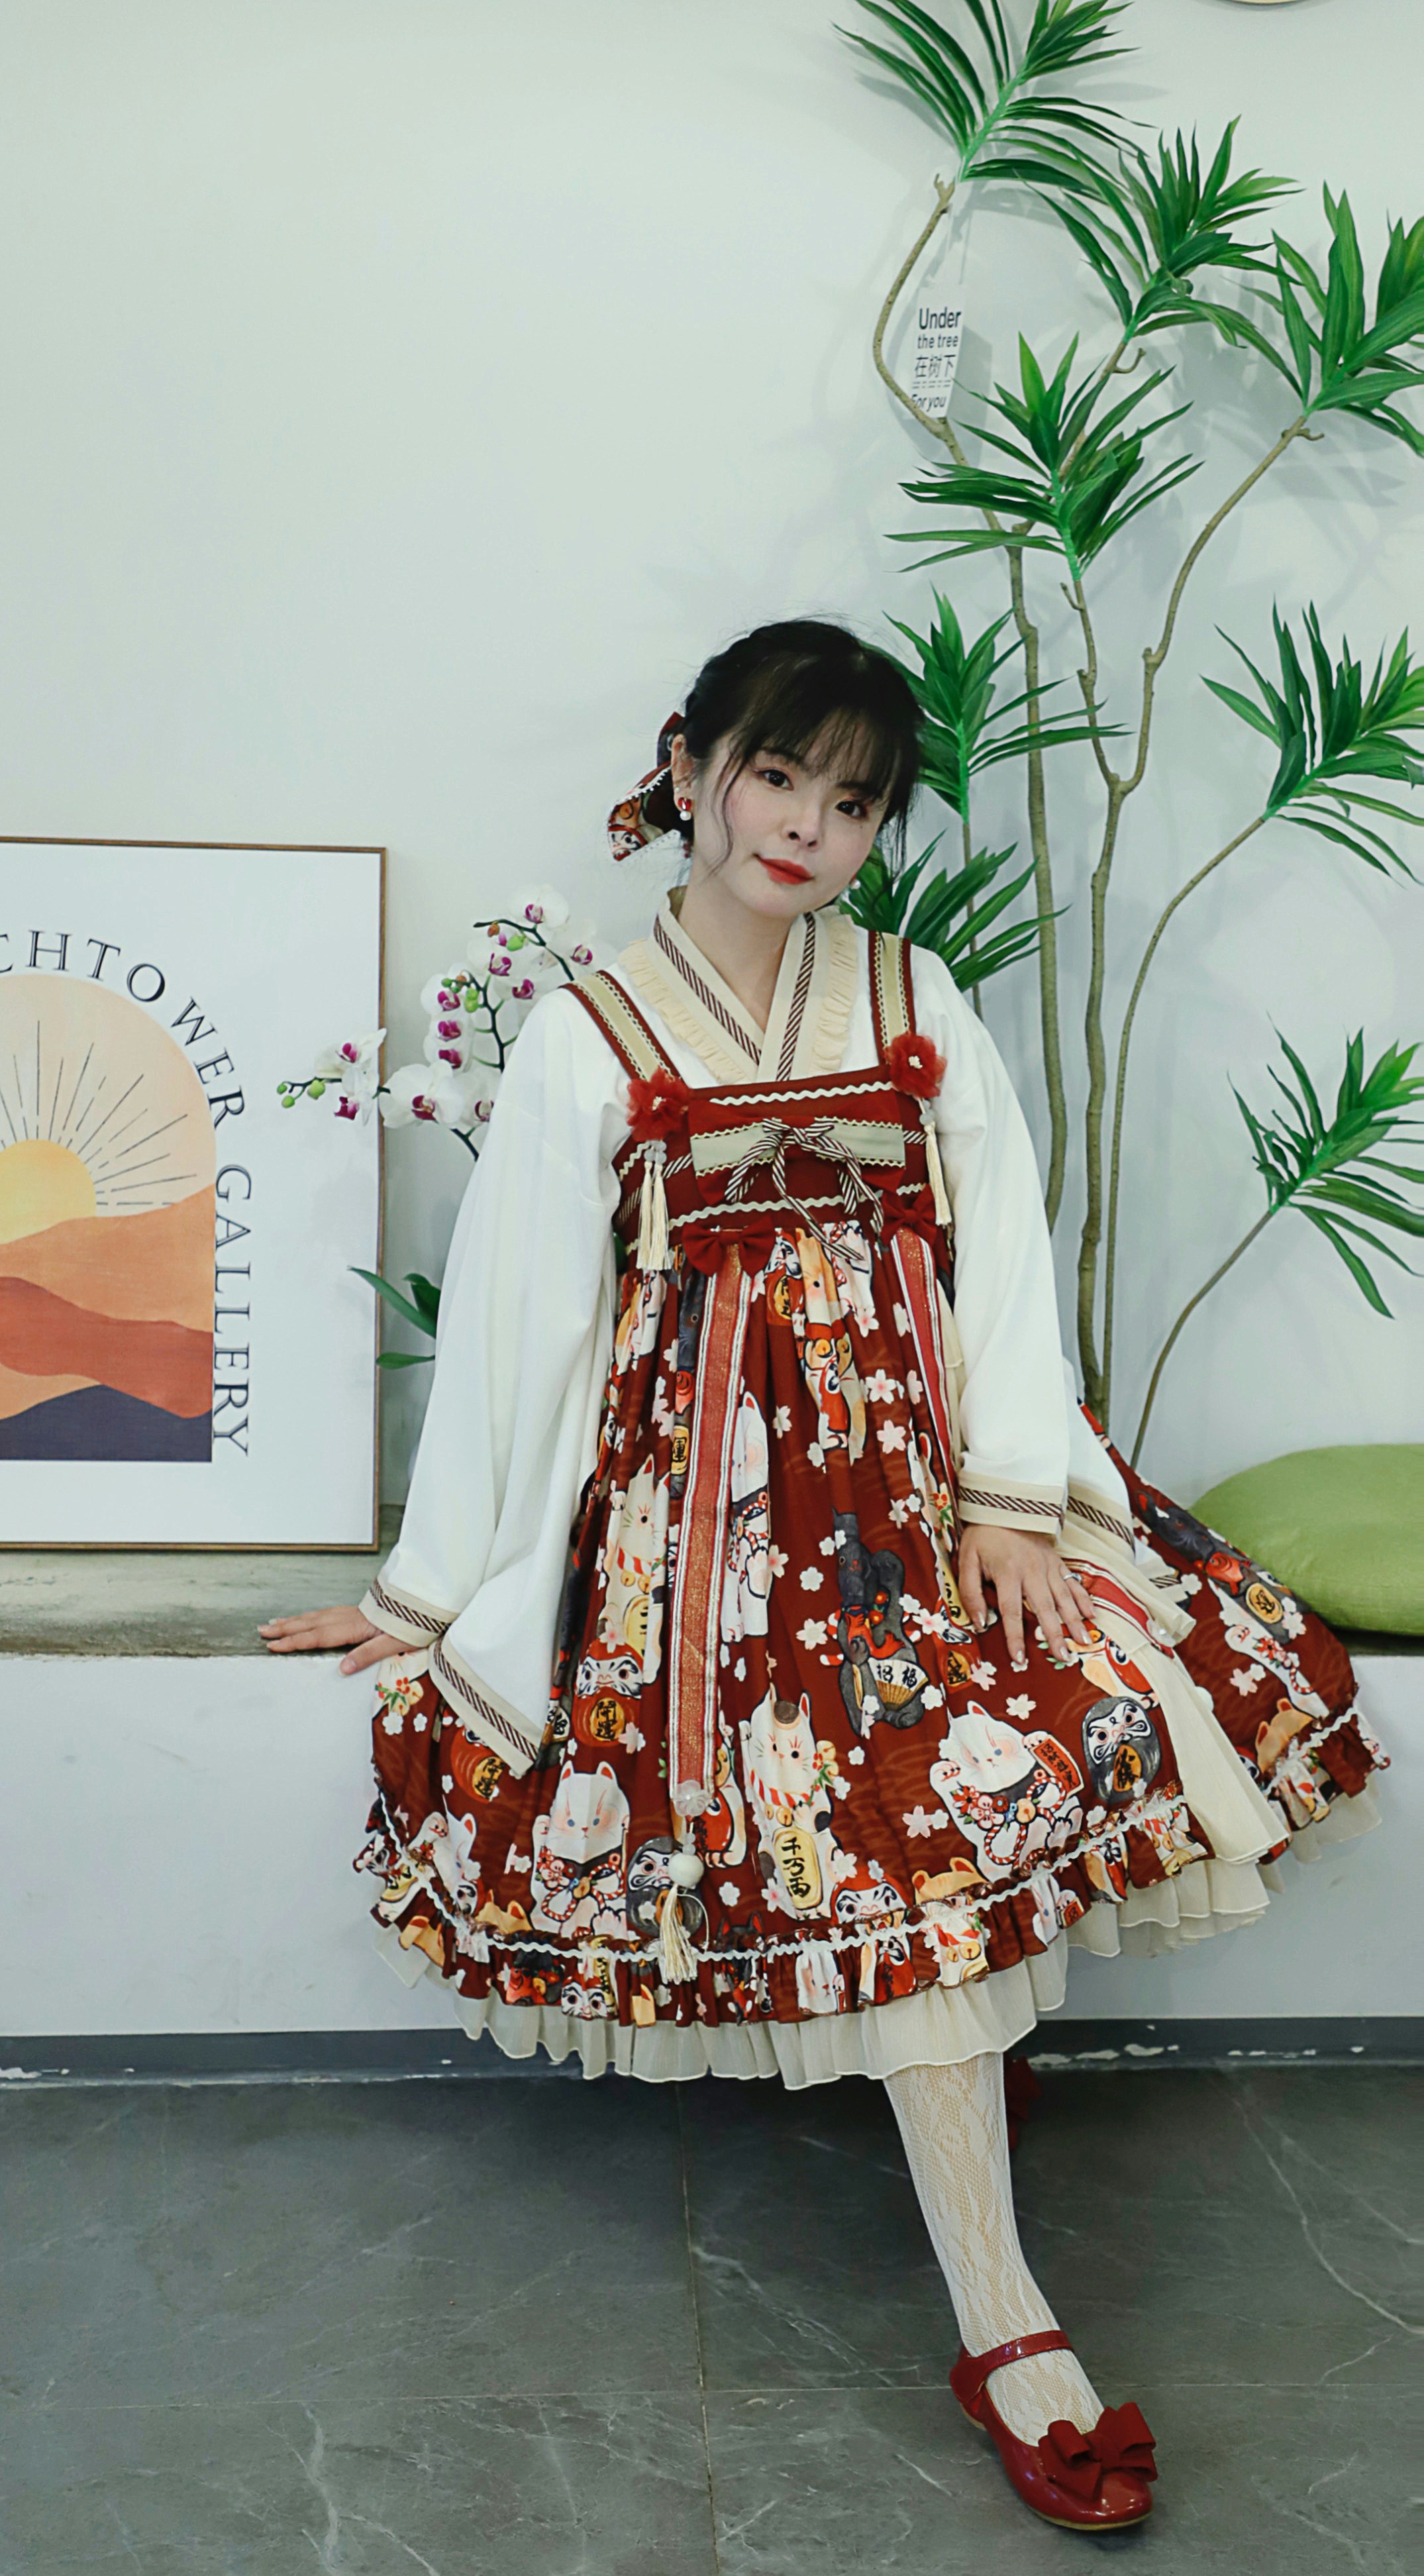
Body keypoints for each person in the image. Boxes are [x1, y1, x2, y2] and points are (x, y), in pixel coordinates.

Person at [263, 619, 1384, 2534]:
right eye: (776, 775)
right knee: (858, 1812)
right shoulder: (592, 1032)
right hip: (692, 1525)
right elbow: (527, 1325)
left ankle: (973, 2175)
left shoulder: (913, 991)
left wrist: (1018, 1500)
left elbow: (1001, 1256)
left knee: (1057, 1721)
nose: (806, 824)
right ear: (690, 766)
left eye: (852, 797)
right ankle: (1011, 2313)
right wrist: (439, 1589)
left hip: (919, 1493)